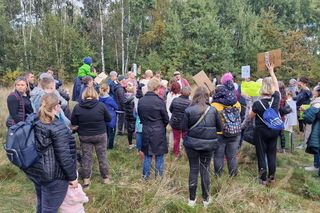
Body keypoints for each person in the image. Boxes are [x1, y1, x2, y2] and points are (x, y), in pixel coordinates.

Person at [25, 93, 78, 213]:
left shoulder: (34, 120)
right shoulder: (57, 126)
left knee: (42, 203)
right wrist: (72, 177)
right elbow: (64, 155)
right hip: (54, 175)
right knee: (49, 209)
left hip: (38, 171)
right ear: (56, 107)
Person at [182, 86, 222, 208]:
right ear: (207, 96)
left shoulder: (188, 110)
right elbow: (220, 128)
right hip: (208, 145)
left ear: (195, 96)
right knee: (205, 170)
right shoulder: (213, 110)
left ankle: (191, 200)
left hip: (192, 145)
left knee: (193, 169)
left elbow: (184, 128)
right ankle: (206, 200)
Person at [71, 87, 112, 187]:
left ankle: (86, 180)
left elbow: (73, 122)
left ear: (84, 95)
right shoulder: (101, 105)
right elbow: (109, 119)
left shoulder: (77, 107)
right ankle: (106, 178)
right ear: (95, 94)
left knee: (86, 157)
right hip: (100, 134)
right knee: (102, 156)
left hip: (85, 136)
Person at [249, 63, 281, 185]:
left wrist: (251, 109)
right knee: (272, 154)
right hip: (274, 130)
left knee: (261, 154)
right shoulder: (276, 99)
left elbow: (250, 116)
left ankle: (262, 179)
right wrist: (271, 71)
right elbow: (277, 86)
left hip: (261, 131)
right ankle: (271, 178)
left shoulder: (257, 103)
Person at [138, 77, 169, 180]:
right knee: (159, 156)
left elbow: (140, 116)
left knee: (147, 155)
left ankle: (145, 178)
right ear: (157, 88)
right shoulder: (160, 101)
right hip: (158, 131)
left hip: (146, 129)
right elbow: (166, 118)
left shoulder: (141, 101)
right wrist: (161, 125)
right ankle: (159, 178)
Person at [212, 72, 241, 177]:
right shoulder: (237, 104)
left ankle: (218, 176)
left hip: (220, 133)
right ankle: (233, 176)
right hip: (235, 132)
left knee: (218, 156)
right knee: (232, 156)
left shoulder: (215, 105)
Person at [169, 86, 191, 160]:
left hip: (175, 122)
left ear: (181, 92)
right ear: (189, 93)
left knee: (176, 139)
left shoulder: (175, 100)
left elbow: (170, 109)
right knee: (186, 139)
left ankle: (176, 154)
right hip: (185, 124)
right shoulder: (190, 103)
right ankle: (185, 153)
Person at [303, 84, 320, 172]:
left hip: (318, 128)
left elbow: (309, 117)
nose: (313, 91)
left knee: (316, 146)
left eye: (314, 90)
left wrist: (304, 111)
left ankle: (316, 166)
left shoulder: (317, 103)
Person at [99, 83, 119, 149]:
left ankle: (104, 145)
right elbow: (116, 107)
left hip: (102, 118)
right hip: (111, 119)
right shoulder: (109, 99)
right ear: (107, 89)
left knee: (105, 133)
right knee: (111, 133)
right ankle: (110, 147)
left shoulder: (99, 98)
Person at [295, 76, 312, 149]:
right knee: (306, 127)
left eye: (299, 82)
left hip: (305, 110)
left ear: (303, 83)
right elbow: (298, 98)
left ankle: (306, 143)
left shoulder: (306, 91)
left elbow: (299, 98)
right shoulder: (302, 90)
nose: (298, 83)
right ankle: (305, 142)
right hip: (301, 109)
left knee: (308, 127)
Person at [124, 82, 136, 149]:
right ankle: (136, 144)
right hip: (133, 115)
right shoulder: (133, 98)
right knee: (135, 129)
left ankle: (130, 144)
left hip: (127, 115)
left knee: (129, 131)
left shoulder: (125, 96)